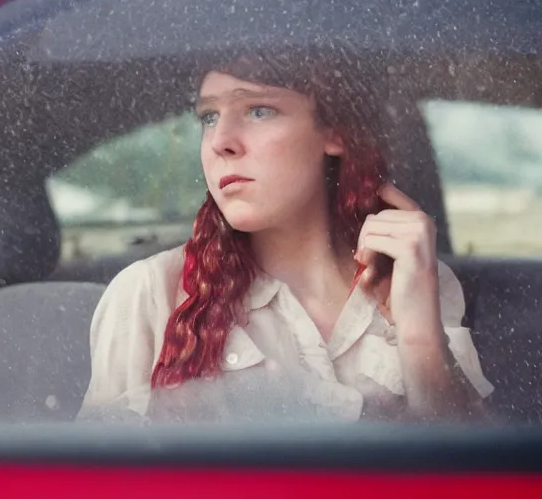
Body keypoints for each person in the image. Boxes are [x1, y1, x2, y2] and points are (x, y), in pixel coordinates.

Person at [78, 46, 494, 424]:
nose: (221, 141)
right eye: (209, 117)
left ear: (335, 134)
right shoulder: (149, 293)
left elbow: (471, 471)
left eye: (258, 110)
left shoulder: (416, 279)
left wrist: (418, 332)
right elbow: (94, 481)